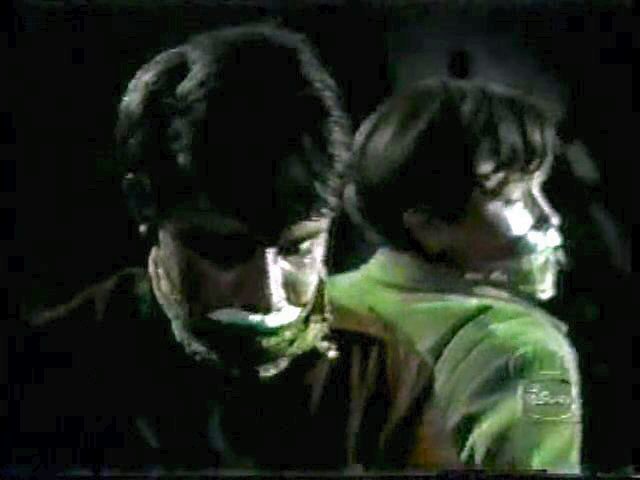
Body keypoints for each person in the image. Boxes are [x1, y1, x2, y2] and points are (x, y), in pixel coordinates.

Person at [17, 25, 458, 473]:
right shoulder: (51, 367)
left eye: (298, 249)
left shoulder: (382, 371)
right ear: (144, 205)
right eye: (224, 252)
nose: (267, 296)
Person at [328, 79, 583, 473]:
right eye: (513, 199)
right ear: (428, 225)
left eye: (540, 188)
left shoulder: (321, 301)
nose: (549, 216)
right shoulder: (524, 351)